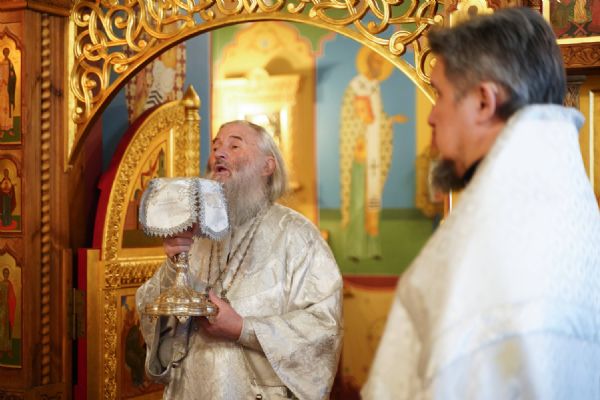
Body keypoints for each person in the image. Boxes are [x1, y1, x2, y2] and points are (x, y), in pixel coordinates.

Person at [363, 7, 600, 399]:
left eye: (440, 94)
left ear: (484, 102)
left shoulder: (490, 234)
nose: (432, 116)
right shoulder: (568, 199)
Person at [136, 120, 343, 399]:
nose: (219, 154)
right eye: (216, 147)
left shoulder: (298, 236)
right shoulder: (197, 232)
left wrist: (243, 329)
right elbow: (151, 311)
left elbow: (324, 328)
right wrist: (174, 265)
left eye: (234, 146)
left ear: (267, 166)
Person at [339, 46, 407, 261]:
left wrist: (390, 120)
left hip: (374, 152)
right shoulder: (356, 86)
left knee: (373, 199)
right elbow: (350, 117)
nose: (380, 67)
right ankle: (354, 248)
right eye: (377, 62)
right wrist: (360, 133)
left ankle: (372, 247)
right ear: (368, 63)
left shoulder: (375, 87)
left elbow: (376, 119)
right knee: (359, 200)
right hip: (360, 153)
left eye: (382, 63)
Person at [0, 267, 16, 358]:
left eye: (7, 273)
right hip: (2, 309)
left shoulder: (10, 284)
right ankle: (1, 350)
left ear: (8, 274)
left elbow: (13, 297)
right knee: (2, 330)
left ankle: (9, 349)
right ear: (3, 274)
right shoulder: (0, 284)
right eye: (5, 273)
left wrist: (11, 301)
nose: (6, 274)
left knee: (9, 330)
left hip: (9, 309)